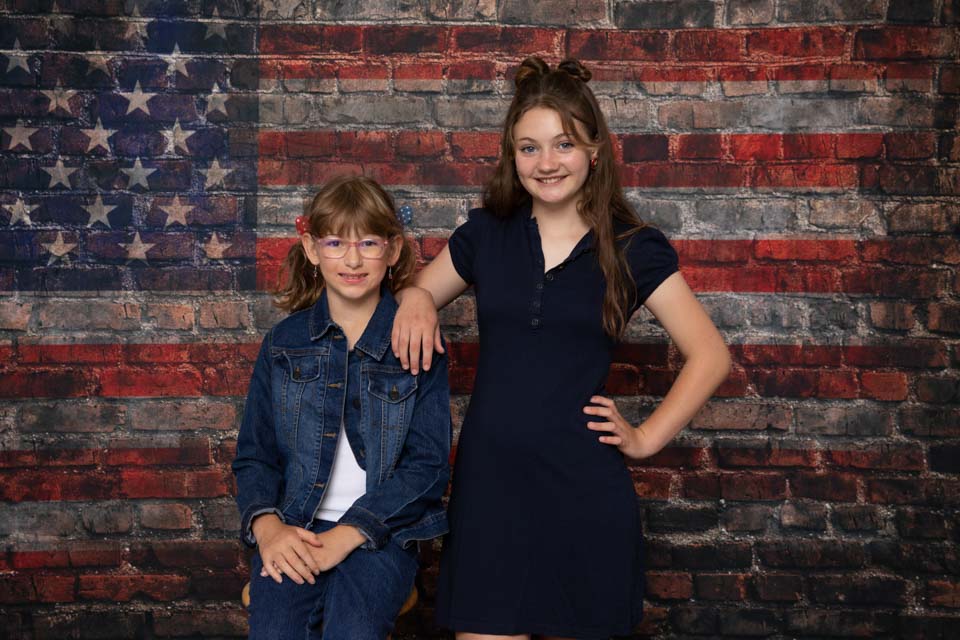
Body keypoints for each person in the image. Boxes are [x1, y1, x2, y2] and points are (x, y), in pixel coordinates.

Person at [391, 58, 732, 640]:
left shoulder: (633, 248)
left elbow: (711, 355)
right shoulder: (485, 235)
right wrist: (417, 297)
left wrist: (645, 437)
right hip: (490, 488)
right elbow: (411, 292)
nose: (546, 163)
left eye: (564, 144)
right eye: (529, 148)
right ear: (512, 155)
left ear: (594, 150)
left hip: (583, 490)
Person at [232, 175, 452, 640]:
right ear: (311, 249)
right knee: (275, 631)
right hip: (295, 527)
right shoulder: (283, 344)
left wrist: (349, 533)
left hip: (383, 535)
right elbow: (255, 456)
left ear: (392, 250)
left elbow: (428, 467)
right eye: (335, 243)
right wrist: (268, 528)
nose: (352, 260)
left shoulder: (415, 343)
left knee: (353, 629)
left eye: (368, 243)